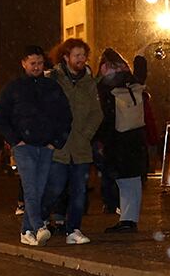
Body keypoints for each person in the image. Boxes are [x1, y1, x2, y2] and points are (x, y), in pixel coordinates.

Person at [0, 42, 73, 247]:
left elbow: (65, 116)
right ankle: (39, 226)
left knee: (39, 188)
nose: (36, 67)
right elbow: (0, 116)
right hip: (23, 147)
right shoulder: (13, 88)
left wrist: (56, 142)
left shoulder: (52, 87)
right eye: (32, 63)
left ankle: (26, 231)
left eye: (39, 63)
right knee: (31, 187)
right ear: (23, 64)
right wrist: (15, 140)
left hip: (45, 146)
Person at [47, 38, 103, 245]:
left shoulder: (89, 82)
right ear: (66, 57)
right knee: (55, 188)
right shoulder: (53, 79)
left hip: (80, 147)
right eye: (77, 55)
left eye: (84, 55)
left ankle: (74, 229)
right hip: (59, 147)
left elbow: (97, 114)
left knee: (79, 191)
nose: (81, 59)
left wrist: (85, 134)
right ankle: (40, 220)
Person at [97, 48, 157, 233]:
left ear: (105, 66)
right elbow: (141, 72)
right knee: (132, 180)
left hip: (117, 139)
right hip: (136, 137)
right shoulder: (133, 81)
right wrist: (139, 56)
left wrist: (100, 140)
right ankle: (129, 219)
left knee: (120, 180)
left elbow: (105, 117)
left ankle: (124, 218)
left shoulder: (105, 87)